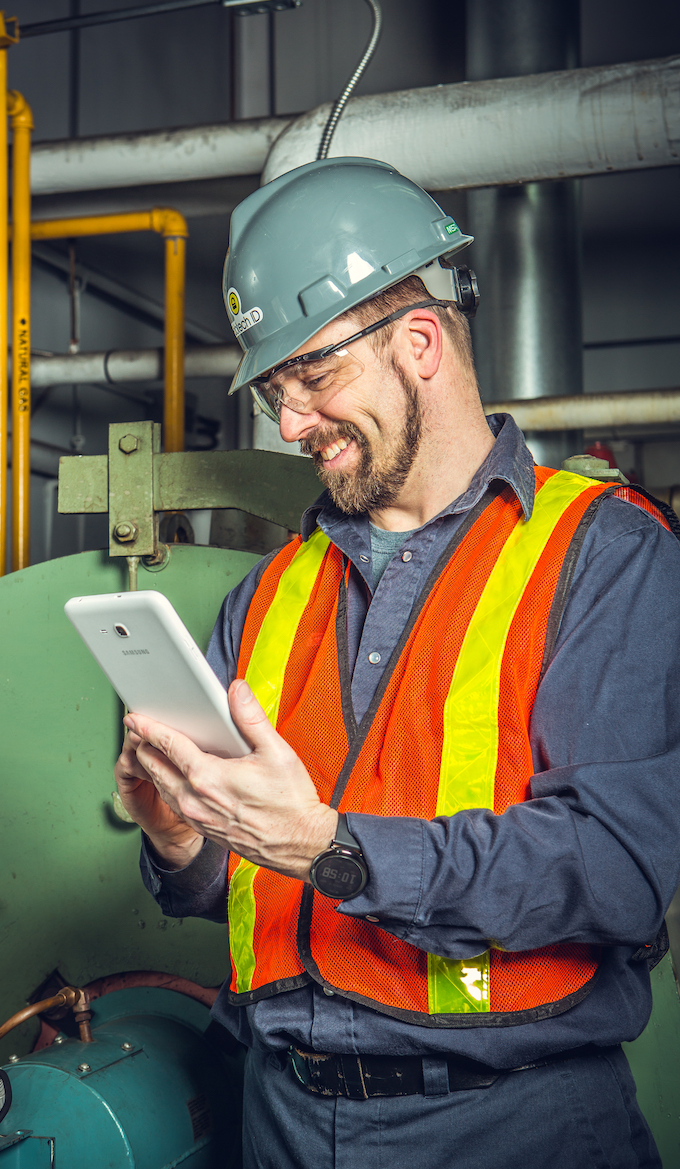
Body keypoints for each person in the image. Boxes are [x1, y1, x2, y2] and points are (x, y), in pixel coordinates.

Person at [114, 158, 680, 1168]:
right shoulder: (266, 596)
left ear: (418, 340)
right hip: (277, 1114)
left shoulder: (601, 552)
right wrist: (177, 843)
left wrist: (329, 847)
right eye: (275, 394)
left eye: (314, 377)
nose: (290, 424)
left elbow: (616, 870)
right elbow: (241, 892)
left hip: (514, 1125)